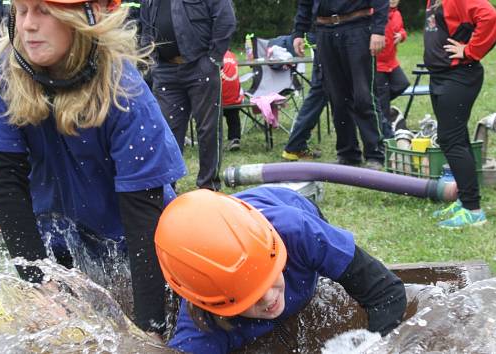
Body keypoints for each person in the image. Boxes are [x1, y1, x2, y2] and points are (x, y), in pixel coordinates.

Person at [0, 0, 186, 335]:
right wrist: (39, 283)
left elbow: (142, 217)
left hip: (132, 234)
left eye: (43, 11)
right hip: (58, 232)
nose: (28, 25)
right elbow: (7, 184)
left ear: (83, 19)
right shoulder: (1, 71)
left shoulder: (124, 87)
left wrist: (151, 328)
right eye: (22, 10)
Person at [155, 187, 407, 353]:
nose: (269, 298)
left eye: (268, 277)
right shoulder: (204, 324)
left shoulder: (299, 233)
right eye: (249, 297)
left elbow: (387, 293)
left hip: (285, 204)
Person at [140, 0, 236, 191]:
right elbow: (146, 27)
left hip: (200, 66)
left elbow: (226, 19)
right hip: (165, 69)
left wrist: (213, 59)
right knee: (166, 131)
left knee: (208, 130)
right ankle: (167, 189)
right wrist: (149, 59)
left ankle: (209, 188)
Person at [424, 0, 496, 228]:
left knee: (451, 139)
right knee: (456, 139)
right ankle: (464, 199)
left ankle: (473, 210)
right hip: (440, 75)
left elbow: (490, 18)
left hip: (459, 75)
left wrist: (469, 50)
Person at [293, 0, 388, 170]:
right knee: (336, 98)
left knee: (363, 96)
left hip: (357, 28)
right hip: (324, 30)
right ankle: (347, 153)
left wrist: (378, 30)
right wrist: (299, 32)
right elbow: (305, 2)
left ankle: (375, 154)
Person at [281, 32, 327, 161]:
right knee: (319, 94)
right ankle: (295, 146)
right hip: (326, 38)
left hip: (326, 37)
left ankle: (296, 146)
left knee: (321, 94)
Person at [375, 0, 410, 139]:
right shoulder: (375, 13)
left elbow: (401, 29)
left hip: (391, 62)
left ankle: (375, 105)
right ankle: (386, 135)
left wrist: (402, 35)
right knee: (382, 98)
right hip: (378, 63)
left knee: (402, 84)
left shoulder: (397, 14)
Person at [221, 50, 243, 152]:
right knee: (233, 114)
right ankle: (235, 138)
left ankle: (214, 138)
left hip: (218, 101)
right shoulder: (231, 55)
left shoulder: (210, 55)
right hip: (235, 99)